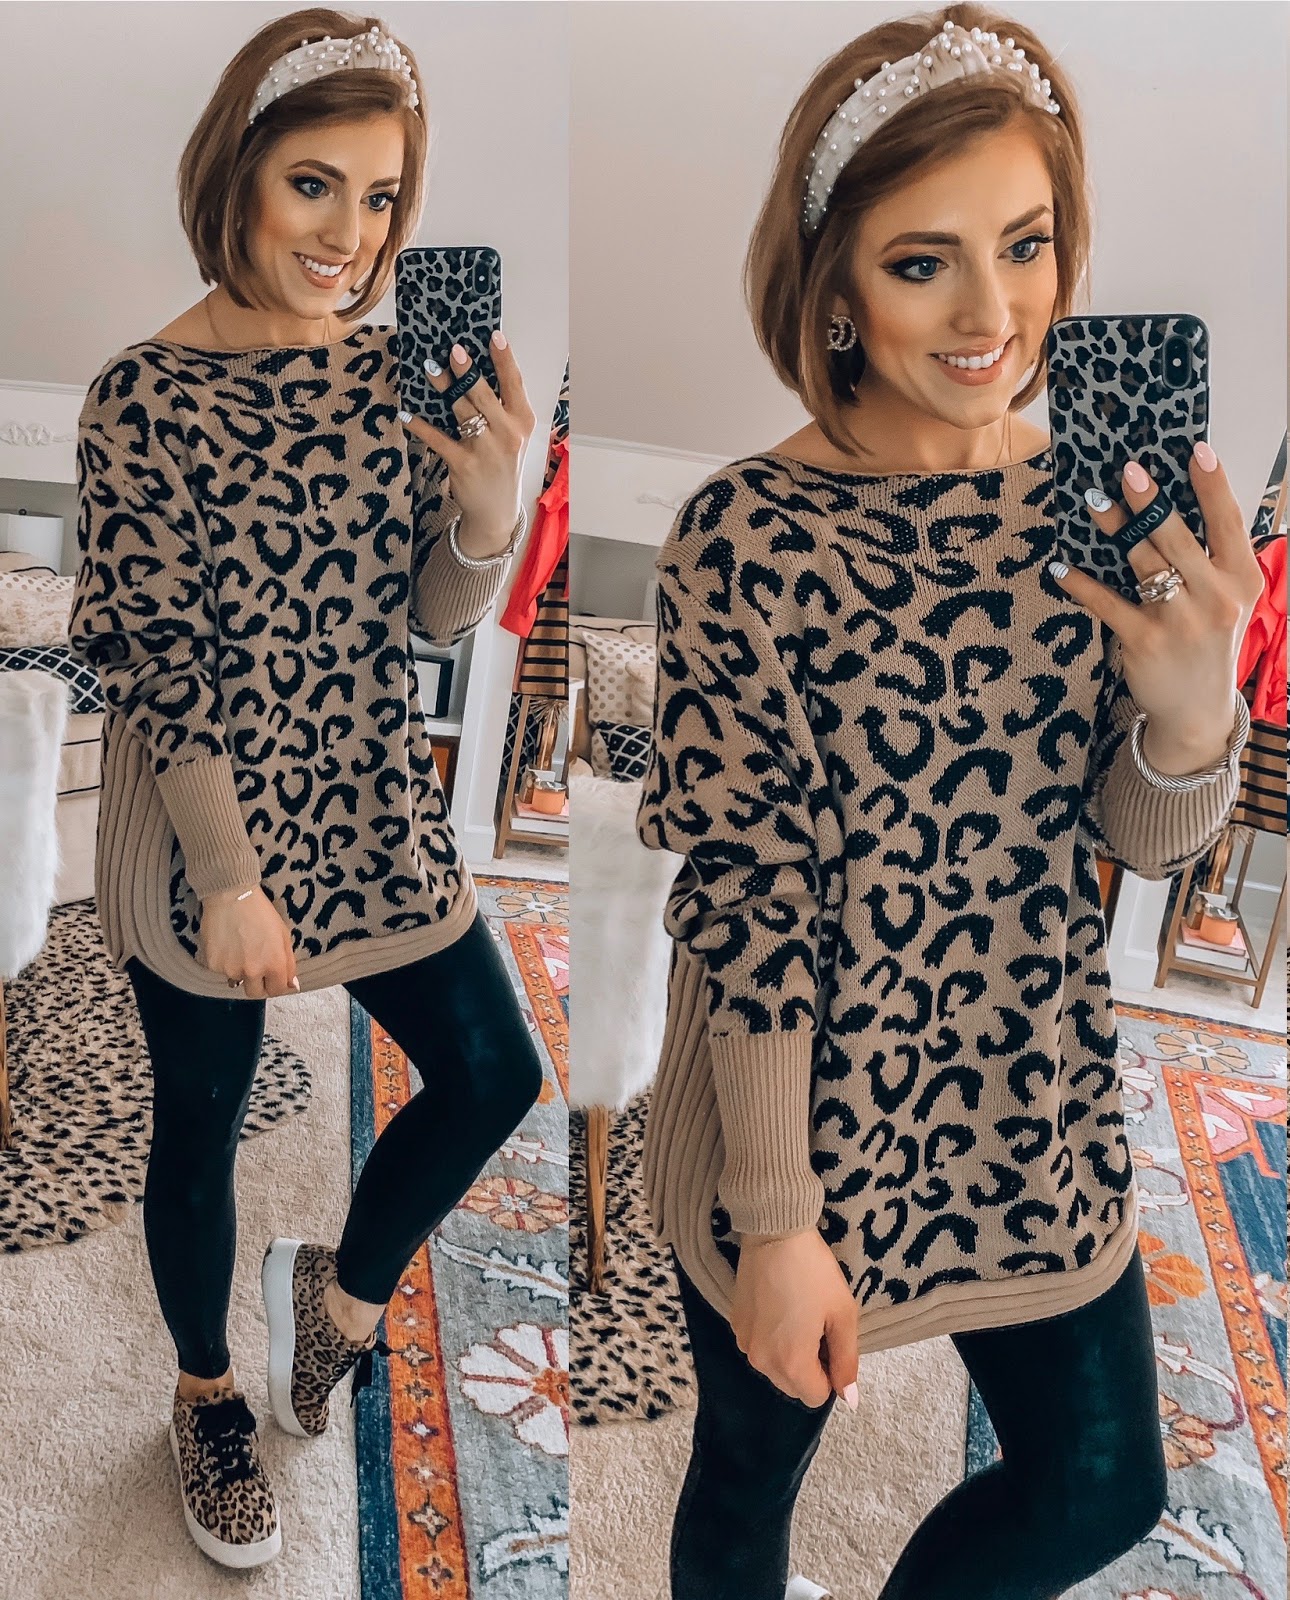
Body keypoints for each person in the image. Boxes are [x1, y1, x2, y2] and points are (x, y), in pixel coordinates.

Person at [634, 7, 1261, 1597]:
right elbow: (750, 903)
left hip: (1021, 1091)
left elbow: (1132, 839)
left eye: (1026, 245)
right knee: (746, 1483)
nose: (994, 314)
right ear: (835, 284)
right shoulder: (743, 538)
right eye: (923, 263)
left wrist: (1193, 711)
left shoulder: (1099, 514)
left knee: (1101, 1484)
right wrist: (778, 1222)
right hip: (794, 1113)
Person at [67, 8, 543, 1569]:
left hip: (361, 793)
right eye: (314, 185)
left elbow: (428, 616)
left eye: (382, 195)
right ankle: (206, 1392)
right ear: (240, 178)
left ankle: (332, 1308)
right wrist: (228, 878)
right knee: (197, 1124)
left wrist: (486, 514)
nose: (350, 235)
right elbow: (155, 660)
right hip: (201, 820)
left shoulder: (396, 373)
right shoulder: (140, 396)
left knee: (494, 1072)